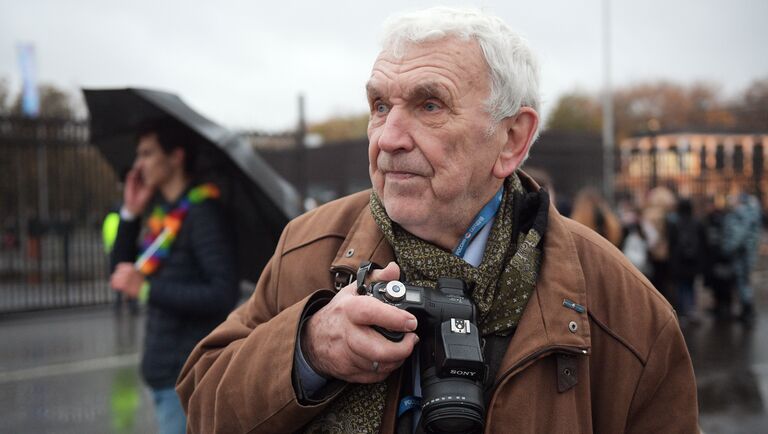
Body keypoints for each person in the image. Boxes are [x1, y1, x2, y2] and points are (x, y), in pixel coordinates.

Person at [177, 7, 698, 433]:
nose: (388, 138)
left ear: (512, 139)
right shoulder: (307, 247)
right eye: (380, 105)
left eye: (429, 105)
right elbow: (203, 405)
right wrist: (308, 349)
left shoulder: (624, 309)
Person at [109, 118, 239, 434]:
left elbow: (223, 293)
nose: (138, 165)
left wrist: (148, 290)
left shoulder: (202, 212)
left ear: (176, 156)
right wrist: (130, 213)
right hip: (161, 368)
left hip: (187, 374)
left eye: (147, 153)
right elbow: (122, 271)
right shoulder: (161, 212)